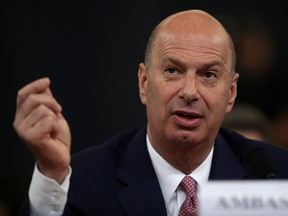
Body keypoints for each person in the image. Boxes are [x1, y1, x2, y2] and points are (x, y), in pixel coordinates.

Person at [14, 9, 288, 216]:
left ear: (230, 93)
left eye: (208, 74)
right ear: (144, 83)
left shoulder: (275, 176)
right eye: (173, 70)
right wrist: (51, 174)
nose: (189, 91)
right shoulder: (82, 180)